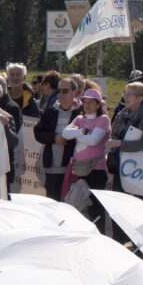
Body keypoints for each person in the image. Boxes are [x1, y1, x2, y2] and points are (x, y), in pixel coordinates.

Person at [60, 88, 111, 226]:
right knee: (78, 205)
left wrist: (77, 134)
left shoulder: (103, 119)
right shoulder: (79, 119)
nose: (87, 105)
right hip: (80, 169)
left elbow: (94, 140)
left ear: (98, 104)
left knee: (95, 207)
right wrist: (83, 132)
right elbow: (65, 133)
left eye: (91, 102)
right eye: (85, 102)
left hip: (96, 171)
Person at [34, 76, 82, 200]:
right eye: (58, 91)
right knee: (52, 203)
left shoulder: (81, 113)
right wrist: (54, 138)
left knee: (70, 204)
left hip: (73, 168)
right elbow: (38, 133)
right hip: (51, 167)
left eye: (65, 91)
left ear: (75, 91)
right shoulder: (50, 111)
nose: (61, 94)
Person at [105, 81, 143, 172]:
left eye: (129, 94)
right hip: (118, 163)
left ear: (140, 98)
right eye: (125, 94)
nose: (125, 97)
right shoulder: (121, 114)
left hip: (139, 167)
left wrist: (120, 143)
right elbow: (114, 134)